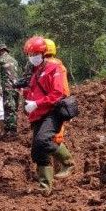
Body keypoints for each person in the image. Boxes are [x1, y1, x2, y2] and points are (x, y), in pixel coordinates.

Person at [21, 36, 73, 195]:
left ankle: (68, 162)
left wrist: (37, 103)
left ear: (43, 53)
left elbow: (58, 93)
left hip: (52, 111)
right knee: (37, 151)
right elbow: (33, 91)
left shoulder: (54, 68)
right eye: (30, 54)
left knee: (43, 140)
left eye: (35, 54)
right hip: (38, 114)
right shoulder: (35, 71)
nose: (32, 57)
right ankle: (45, 187)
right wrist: (24, 94)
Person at [43, 39, 74, 179]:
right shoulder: (58, 64)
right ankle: (54, 170)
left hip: (52, 105)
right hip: (55, 105)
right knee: (51, 137)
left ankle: (64, 165)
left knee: (54, 138)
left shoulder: (51, 66)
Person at [0, 43, 22, 137]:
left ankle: (11, 132)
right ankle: (12, 129)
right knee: (13, 108)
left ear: (0, 51)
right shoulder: (14, 60)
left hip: (7, 87)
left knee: (8, 109)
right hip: (16, 87)